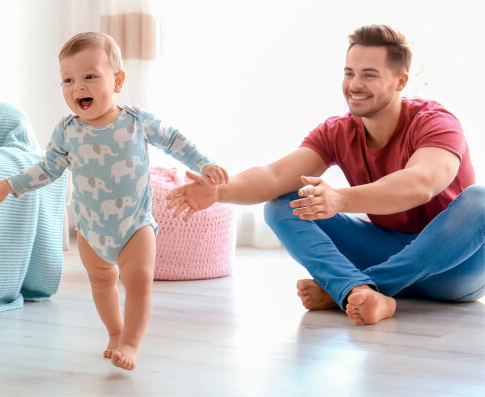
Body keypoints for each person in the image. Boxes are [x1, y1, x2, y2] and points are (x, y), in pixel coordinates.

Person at [166, 24, 484, 326]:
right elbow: (275, 175)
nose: (354, 85)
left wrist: (340, 198)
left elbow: (422, 183)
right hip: (390, 251)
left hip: (454, 267)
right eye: (349, 73)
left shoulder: (435, 122)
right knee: (284, 203)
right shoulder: (338, 131)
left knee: (481, 201)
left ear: (400, 82)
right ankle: (356, 290)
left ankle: (356, 288)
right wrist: (220, 191)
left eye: (369, 75)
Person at [0, 32, 228, 369]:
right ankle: (115, 332)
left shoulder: (136, 121)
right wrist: (10, 185)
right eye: (68, 80)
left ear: (117, 81)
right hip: (91, 230)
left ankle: (130, 341)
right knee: (101, 283)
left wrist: (204, 164)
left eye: (90, 76)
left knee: (139, 280)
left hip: (134, 225)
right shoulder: (67, 131)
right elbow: (48, 169)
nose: (77, 87)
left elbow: (174, 140)